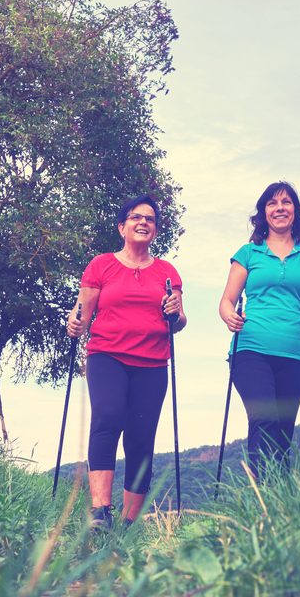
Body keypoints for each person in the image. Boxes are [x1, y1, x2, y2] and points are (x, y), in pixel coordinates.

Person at [67, 195, 185, 529]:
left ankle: (129, 521)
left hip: (152, 361)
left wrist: (175, 312)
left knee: (141, 436)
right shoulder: (101, 265)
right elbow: (82, 314)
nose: (143, 222)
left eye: (149, 219)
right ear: (122, 226)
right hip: (108, 355)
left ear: (156, 229)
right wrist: (73, 325)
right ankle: (100, 511)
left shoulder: (167, 272)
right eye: (135, 217)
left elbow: (178, 322)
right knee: (107, 418)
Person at [218, 182, 300, 476]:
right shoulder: (248, 253)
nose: (280, 208)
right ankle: (262, 497)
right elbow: (227, 300)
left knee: (283, 430)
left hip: (294, 353)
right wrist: (229, 316)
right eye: (272, 203)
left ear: (295, 211)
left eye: (286, 202)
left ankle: (279, 501)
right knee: (264, 419)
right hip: (251, 349)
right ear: (264, 213)